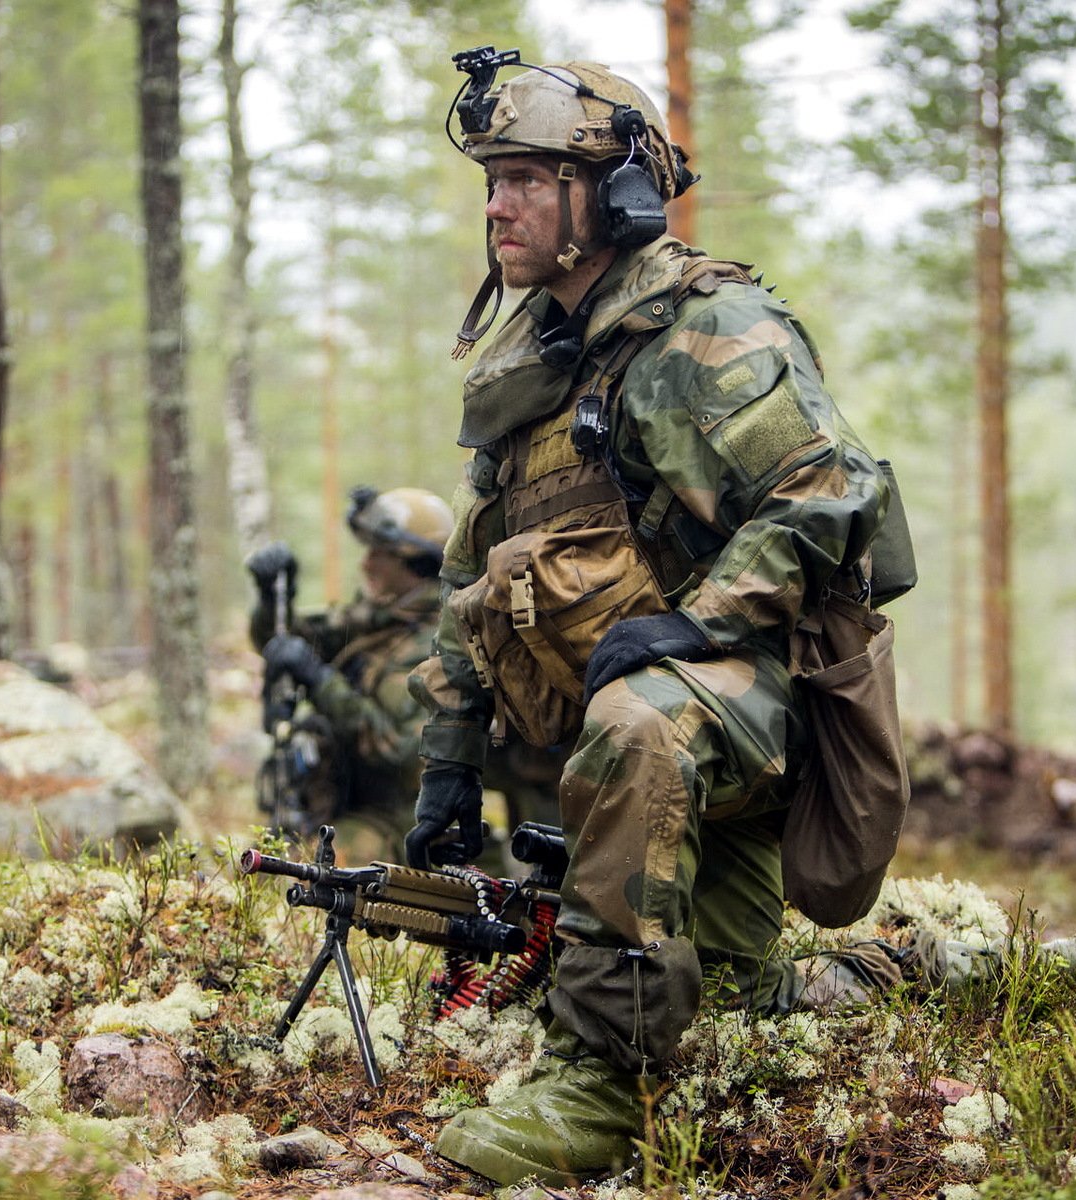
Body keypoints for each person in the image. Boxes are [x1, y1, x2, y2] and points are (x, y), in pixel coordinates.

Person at [404, 57, 895, 1185]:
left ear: (613, 194)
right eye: (493, 180)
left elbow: (832, 494)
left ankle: (603, 1081)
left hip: (759, 705)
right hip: (649, 718)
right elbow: (470, 572)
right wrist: (446, 768)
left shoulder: (708, 329)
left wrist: (700, 621)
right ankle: (914, 972)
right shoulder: (532, 356)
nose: (498, 205)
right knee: (737, 1001)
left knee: (635, 722)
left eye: (527, 177)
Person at [246, 487, 461, 863]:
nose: (366, 565)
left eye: (380, 554)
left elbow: (400, 748)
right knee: (269, 862)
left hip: (404, 823)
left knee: (308, 868)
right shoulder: (373, 621)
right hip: (342, 805)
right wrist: (272, 600)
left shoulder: (439, 646)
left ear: (414, 563)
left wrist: (320, 681)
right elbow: (281, 642)